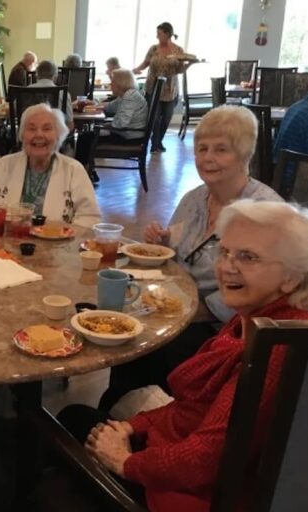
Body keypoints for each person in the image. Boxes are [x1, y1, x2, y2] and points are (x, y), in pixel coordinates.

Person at [58, 199, 308, 512]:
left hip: (189, 494)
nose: (227, 266)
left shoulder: (273, 350)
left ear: (293, 278)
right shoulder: (260, 320)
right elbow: (190, 410)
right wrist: (135, 425)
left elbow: (203, 460)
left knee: (64, 425)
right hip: (179, 454)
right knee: (78, 416)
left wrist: (126, 461)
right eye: (225, 251)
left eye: (249, 256)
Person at [98, 106, 282, 412]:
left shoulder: (263, 213)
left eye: (221, 149)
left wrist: (191, 311)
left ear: (244, 154)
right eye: (202, 148)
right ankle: (116, 412)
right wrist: (165, 242)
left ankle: (158, 420)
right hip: (177, 307)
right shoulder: (195, 198)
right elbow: (179, 252)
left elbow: (264, 291)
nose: (208, 157)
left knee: (153, 345)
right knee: (130, 332)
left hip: (221, 328)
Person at [0, 104, 100, 227]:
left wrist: (65, 237)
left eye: (46, 129)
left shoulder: (73, 170)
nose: (39, 135)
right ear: (22, 136)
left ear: (58, 136)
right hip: (7, 246)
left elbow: (90, 217)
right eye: (31, 129)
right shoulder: (5, 164)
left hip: (56, 250)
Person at [75, 69, 148, 171]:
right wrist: (95, 104)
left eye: (112, 81)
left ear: (120, 83)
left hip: (129, 137)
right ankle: (88, 171)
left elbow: (121, 123)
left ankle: (82, 172)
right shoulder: (127, 95)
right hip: (129, 134)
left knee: (84, 138)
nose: (110, 84)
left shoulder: (129, 97)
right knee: (87, 136)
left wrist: (105, 126)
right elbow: (110, 107)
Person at [132, 22, 188, 153]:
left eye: (159, 34)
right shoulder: (153, 49)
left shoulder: (178, 50)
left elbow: (180, 69)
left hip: (170, 88)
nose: (157, 36)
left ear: (168, 34)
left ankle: (158, 141)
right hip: (153, 86)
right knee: (155, 118)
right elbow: (146, 62)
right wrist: (137, 69)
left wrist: (188, 66)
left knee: (167, 117)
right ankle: (154, 143)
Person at [30, 60, 74, 130]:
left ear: (36, 74)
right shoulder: (63, 93)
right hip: (54, 138)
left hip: (29, 137)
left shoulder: (24, 91)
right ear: (55, 76)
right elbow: (70, 124)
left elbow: (11, 113)